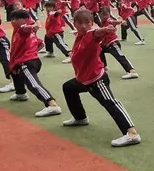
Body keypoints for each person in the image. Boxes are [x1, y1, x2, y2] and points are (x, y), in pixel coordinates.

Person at [61, 8, 142, 147]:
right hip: (83, 79)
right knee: (68, 88)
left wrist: (105, 30)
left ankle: (132, 133)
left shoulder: (90, 34)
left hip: (96, 79)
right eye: (79, 23)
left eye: (87, 22)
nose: (83, 26)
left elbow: (96, 33)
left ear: (92, 23)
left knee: (111, 102)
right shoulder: (79, 37)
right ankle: (80, 118)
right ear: (74, 23)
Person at [6, 8, 62, 117]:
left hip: (26, 62)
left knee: (34, 84)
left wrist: (31, 27)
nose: (13, 21)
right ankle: (20, 93)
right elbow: (40, 44)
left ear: (25, 20)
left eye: (17, 19)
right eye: (12, 18)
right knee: (14, 72)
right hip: (28, 60)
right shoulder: (21, 31)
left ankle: (52, 104)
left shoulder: (23, 30)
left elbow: (25, 28)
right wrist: (32, 51)